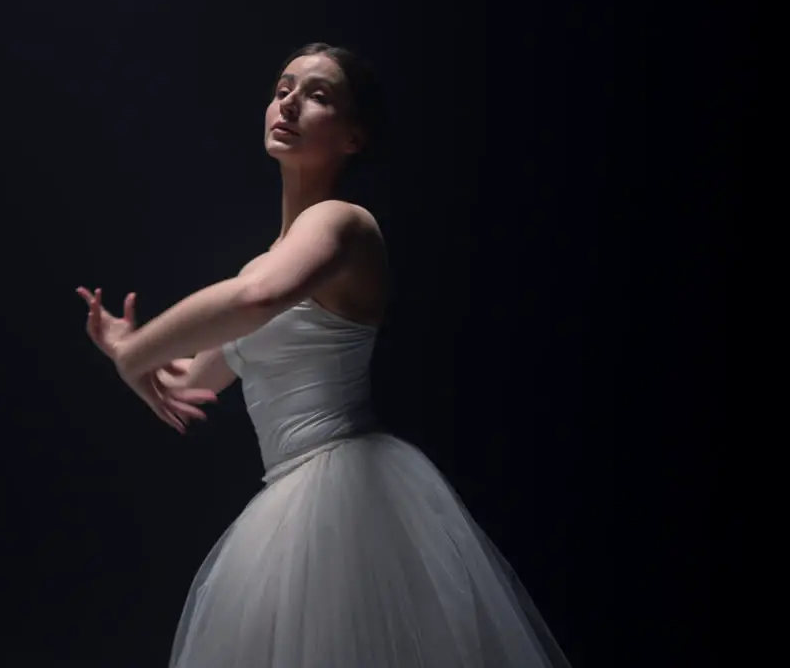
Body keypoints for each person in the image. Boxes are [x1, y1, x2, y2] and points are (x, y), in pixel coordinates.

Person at [77, 43, 571, 667]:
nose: (288, 100)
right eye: (283, 86)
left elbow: (258, 298)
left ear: (354, 137)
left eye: (317, 93)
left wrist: (138, 352)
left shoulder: (343, 223)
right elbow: (196, 374)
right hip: (291, 500)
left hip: (347, 495)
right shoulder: (268, 258)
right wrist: (130, 353)